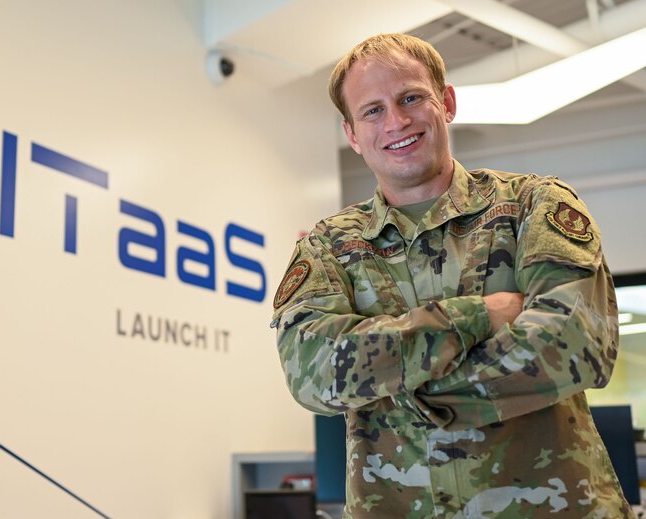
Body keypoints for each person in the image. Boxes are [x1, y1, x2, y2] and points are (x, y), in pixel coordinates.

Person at [271, 33, 632, 518]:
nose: (396, 121)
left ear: (446, 101)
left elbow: (574, 343)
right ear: (352, 134)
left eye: (410, 98)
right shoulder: (328, 248)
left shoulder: (532, 206)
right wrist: (476, 317)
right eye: (372, 110)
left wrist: (400, 393)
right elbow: (312, 373)